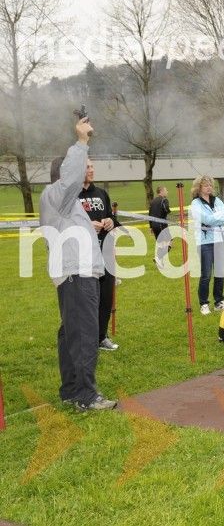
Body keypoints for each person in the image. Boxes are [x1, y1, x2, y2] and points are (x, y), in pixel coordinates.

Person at [39, 116, 116, 411]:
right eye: (82, 165)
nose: (87, 170)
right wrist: (81, 141)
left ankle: (72, 390)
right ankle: (85, 396)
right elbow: (71, 176)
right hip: (76, 277)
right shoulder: (57, 193)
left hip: (76, 276)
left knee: (70, 334)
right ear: (65, 174)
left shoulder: (64, 201)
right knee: (84, 334)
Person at [78, 159, 121, 352]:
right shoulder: (71, 195)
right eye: (87, 167)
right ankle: (84, 337)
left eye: (92, 167)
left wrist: (111, 221)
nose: (92, 170)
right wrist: (87, 225)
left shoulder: (101, 193)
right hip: (81, 255)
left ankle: (101, 337)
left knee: (105, 297)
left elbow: (112, 217)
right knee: (86, 299)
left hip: (104, 254)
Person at [189, 175, 224, 315]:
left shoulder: (217, 200)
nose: (209, 187)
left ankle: (219, 301)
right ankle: (204, 303)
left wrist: (214, 219)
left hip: (220, 240)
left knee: (220, 273)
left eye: (211, 185)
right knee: (206, 275)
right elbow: (205, 219)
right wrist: (218, 218)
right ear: (199, 187)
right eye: (206, 185)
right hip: (205, 242)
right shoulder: (196, 203)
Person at [149, 185, 171, 267]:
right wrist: (168, 211)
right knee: (170, 243)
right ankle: (158, 258)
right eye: (166, 190)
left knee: (161, 244)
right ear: (161, 191)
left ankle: (160, 263)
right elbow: (166, 209)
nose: (167, 192)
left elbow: (149, 215)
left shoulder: (152, 201)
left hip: (154, 225)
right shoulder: (164, 200)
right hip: (162, 224)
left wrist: (151, 227)